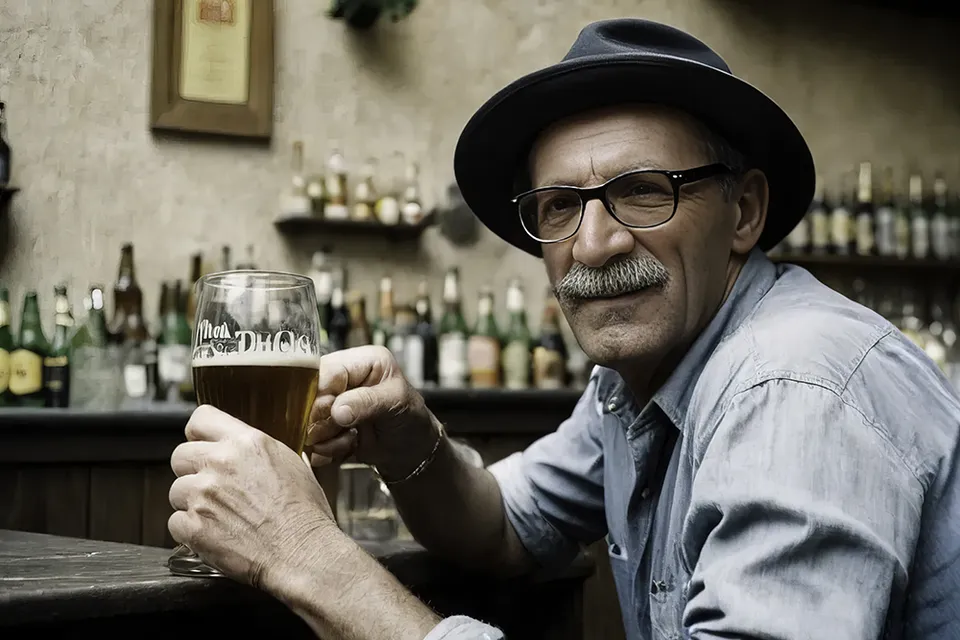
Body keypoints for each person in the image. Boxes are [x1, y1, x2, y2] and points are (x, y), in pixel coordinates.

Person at [168, 18, 960, 640]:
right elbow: (507, 528)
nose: (594, 244)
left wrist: (304, 553)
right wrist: (414, 442)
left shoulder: (794, 385)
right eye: (559, 206)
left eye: (645, 192)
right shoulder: (639, 383)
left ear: (745, 212)